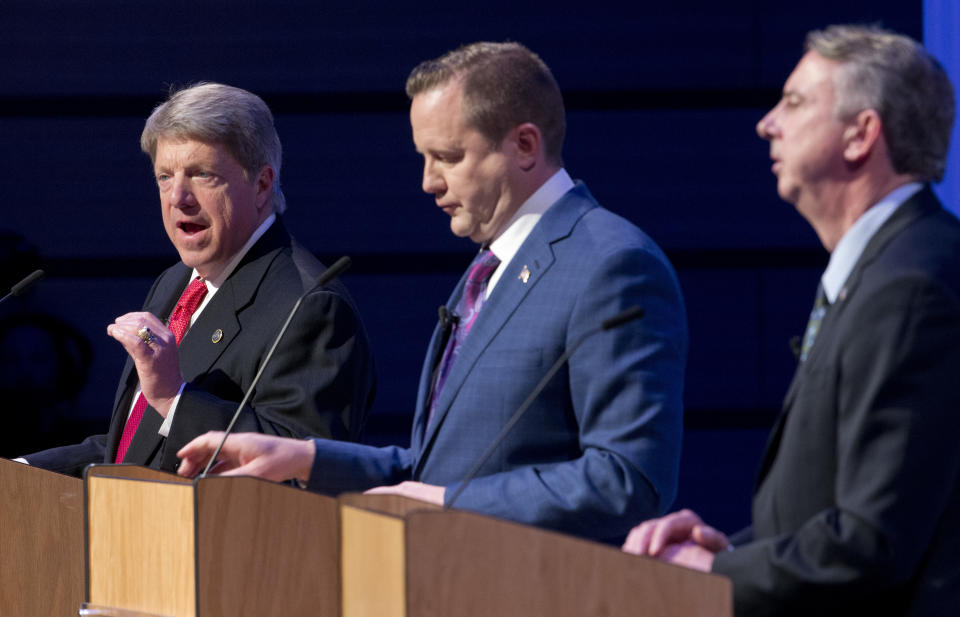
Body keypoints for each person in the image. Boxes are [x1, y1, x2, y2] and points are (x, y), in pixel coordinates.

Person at [178, 42, 687, 544]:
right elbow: (442, 466)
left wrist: (445, 506)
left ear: (525, 145)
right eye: (424, 157)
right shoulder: (491, 266)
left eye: (447, 156)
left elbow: (627, 480)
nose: (427, 182)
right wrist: (306, 459)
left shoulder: (613, 265)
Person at [622, 25, 960, 616]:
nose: (767, 122)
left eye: (796, 102)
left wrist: (714, 571)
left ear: (862, 134)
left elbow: (872, 542)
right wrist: (727, 550)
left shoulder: (911, 287)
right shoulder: (885, 271)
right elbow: (832, 511)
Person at [20, 83, 376, 477]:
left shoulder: (310, 306)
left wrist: (175, 397)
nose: (177, 197)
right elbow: (139, 446)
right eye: (164, 177)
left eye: (201, 174)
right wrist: (21, 471)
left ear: (260, 184)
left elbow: (298, 474)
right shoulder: (176, 281)